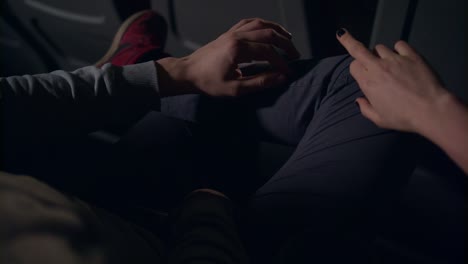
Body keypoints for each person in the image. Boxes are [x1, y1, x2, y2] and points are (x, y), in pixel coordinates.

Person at [0, 9, 463, 264]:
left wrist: (173, 73)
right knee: (364, 82)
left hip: (93, 207)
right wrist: (208, 209)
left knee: (200, 102)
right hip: (189, 245)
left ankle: (144, 83)